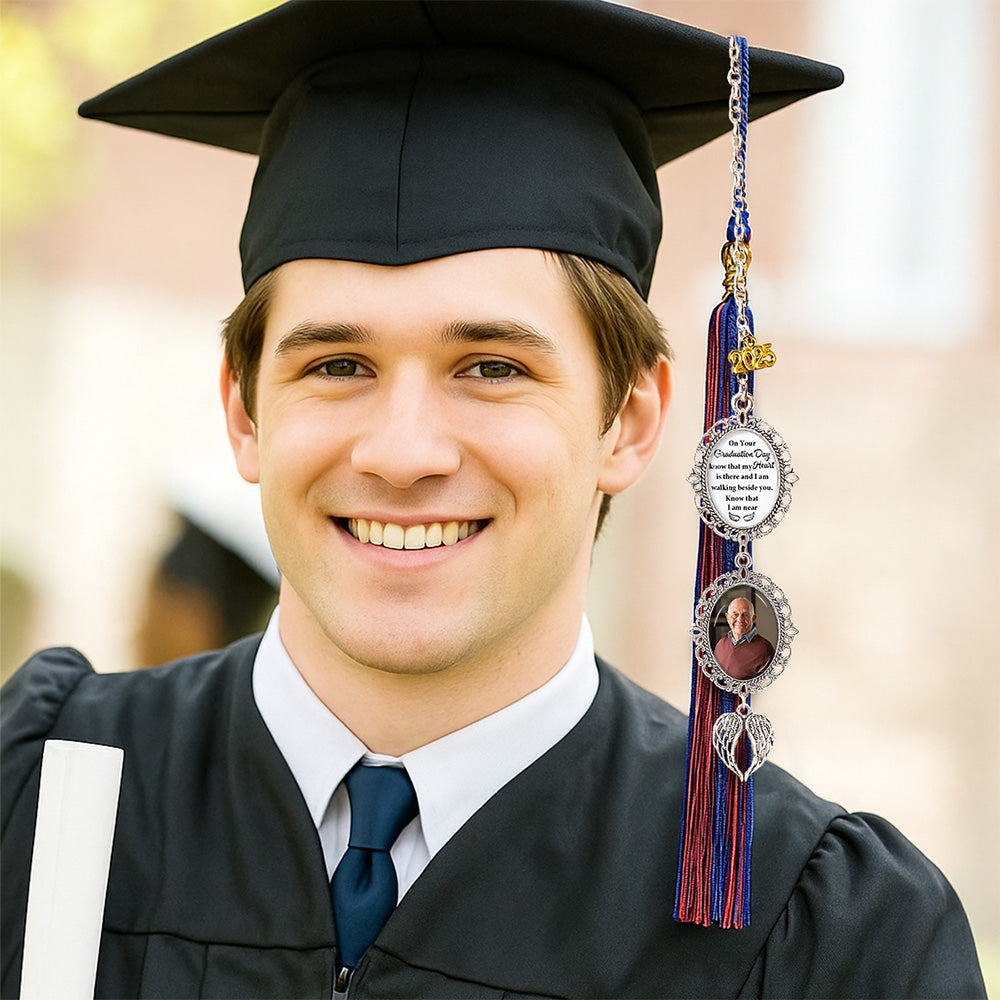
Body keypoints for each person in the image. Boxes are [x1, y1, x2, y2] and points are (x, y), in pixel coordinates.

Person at [0, 2, 986, 998]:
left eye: (489, 366)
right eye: (338, 363)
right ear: (243, 410)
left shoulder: (818, 935)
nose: (403, 450)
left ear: (630, 416)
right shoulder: (36, 803)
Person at [713, 596, 774, 680]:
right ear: (727, 617)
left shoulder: (765, 649)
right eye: (735, 615)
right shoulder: (720, 644)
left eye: (745, 615)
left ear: (753, 618)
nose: (739, 619)